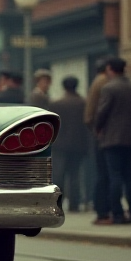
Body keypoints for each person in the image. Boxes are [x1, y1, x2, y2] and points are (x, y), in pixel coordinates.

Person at [94, 58, 131, 225]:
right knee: (130, 175)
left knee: (115, 175)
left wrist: (97, 128)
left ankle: (118, 214)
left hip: (113, 138)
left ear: (109, 69)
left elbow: (102, 111)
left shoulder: (109, 87)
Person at [49, 77, 89, 212]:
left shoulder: (56, 104)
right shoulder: (83, 103)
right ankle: (74, 204)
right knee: (75, 175)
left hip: (60, 144)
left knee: (59, 175)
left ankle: (58, 204)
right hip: (78, 145)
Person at [85, 57, 112, 222]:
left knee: (102, 173)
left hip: (99, 132)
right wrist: (97, 129)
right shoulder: (103, 82)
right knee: (104, 173)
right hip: (102, 133)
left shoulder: (97, 81)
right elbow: (92, 114)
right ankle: (102, 209)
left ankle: (101, 208)